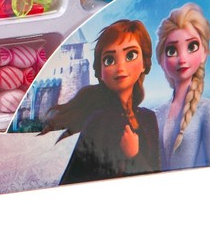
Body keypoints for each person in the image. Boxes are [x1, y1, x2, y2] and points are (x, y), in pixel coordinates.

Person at [42, 19, 160, 184]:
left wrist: (134, 155)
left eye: (130, 55)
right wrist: (131, 156)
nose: (120, 67)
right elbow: (72, 181)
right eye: (109, 60)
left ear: (144, 64)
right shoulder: (99, 121)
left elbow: (157, 176)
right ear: (101, 72)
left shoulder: (148, 118)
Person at [155, 3, 210, 170]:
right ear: (161, 60)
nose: (182, 59)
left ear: (204, 52)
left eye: (192, 47)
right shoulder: (157, 113)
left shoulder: (207, 111)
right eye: (172, 51)